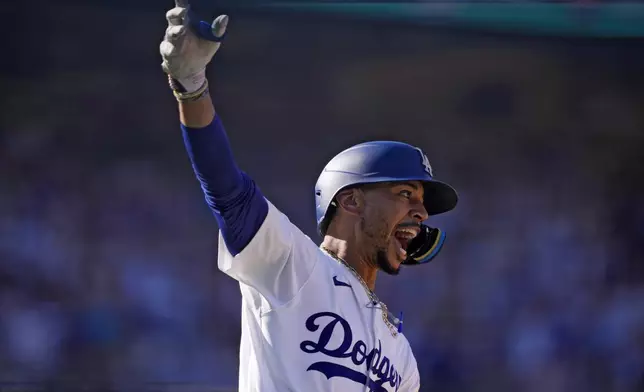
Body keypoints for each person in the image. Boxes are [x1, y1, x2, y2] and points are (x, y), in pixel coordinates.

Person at [159, 1, 458, 391]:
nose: (421, 213)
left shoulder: (401, 356)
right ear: (351, 201)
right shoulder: (294, 266)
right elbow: (227, 191)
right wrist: (193, 88)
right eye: (405, 193)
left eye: (422, 204)